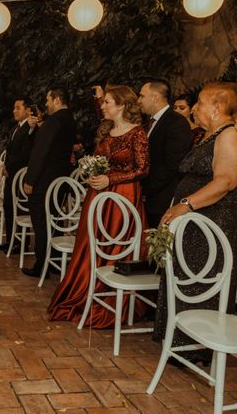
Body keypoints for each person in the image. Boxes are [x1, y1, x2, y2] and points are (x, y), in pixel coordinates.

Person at [47, 85, 150, 326]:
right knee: (90, 244)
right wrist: (92, 173)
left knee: (116, 245)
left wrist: (110, 179)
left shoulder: (138, 134)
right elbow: (99, 161)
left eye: (107, 103)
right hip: (98, 195)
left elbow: (143, 169)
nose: (103, 106)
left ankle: (114, 299)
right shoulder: (106, 131)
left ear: (122, 106)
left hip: (123, 198)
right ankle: (86, 290)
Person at [155, 81, 237, 364]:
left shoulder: (228, 135)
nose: (195, 108)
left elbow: (226, 180)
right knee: (187, 278)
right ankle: (181, 343)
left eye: (200, 103)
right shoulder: (207, 135)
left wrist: (186, 204)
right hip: (196, 222)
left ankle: (196, 347)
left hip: (212, 223)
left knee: (200, 280)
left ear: (216, 108)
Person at [22, 87, 76, 278]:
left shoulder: (54, 121)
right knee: (54, 220)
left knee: (41, 222)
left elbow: (40, 152)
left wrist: (30, 180)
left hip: (44, 181)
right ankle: (53, 261)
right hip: (61, 180)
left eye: (48, 99)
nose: (46, 104)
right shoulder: (70, 119)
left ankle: (41, 265)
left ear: (57, 99)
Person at [138, 79, 191, 227]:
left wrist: (146, 189)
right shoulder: (149, 122)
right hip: (150, 197)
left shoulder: (176, 123)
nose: (138, 100)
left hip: (162, 198)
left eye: (142, 96)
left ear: (155, 97)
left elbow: (172, 165)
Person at [0, 98, 38, 252]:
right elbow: (11, 150)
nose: (14, 111)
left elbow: (25, 154)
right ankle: (11, 240)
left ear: (28, 110)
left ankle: (21, 243)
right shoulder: (16, 127)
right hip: (10, 174)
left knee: (19, 208)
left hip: (20, 175)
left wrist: (8, 166)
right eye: (14, 108)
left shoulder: (30, 128)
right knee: (9, 207)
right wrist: (5, 165)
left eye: (18, 108)